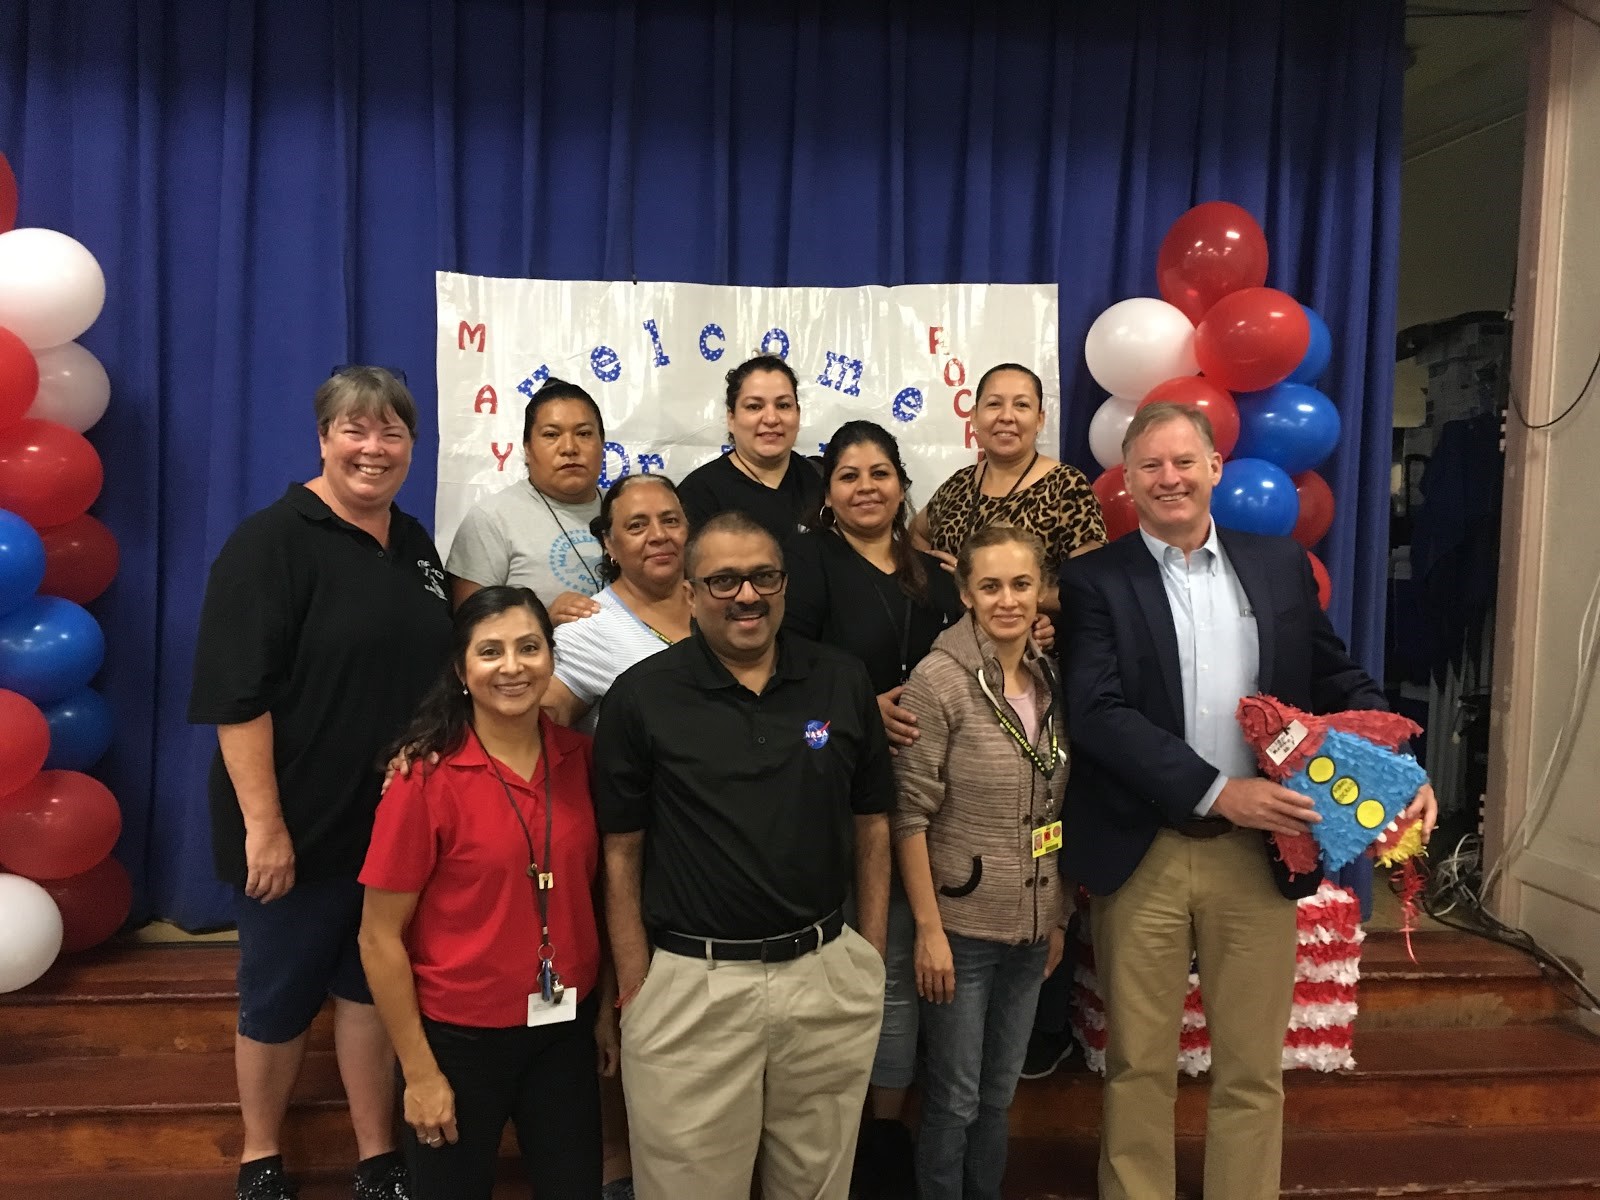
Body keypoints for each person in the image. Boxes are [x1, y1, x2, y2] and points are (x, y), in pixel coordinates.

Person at [1060, 402, 1438, 1200]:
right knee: (1137, 1066)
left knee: (1251, 1069)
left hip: (1260, 856)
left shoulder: (1277, 564)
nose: (1169, 478)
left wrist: (1399, 766)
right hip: (1144, 849)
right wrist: (1219, 792)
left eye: (1183, 462)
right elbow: (1095, 712)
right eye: (1151, 465)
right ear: (1128, 480)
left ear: (1215, 467)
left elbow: (1338, 679)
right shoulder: (1095, 580)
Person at [188, 366, 453, 1200]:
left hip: (390, 829)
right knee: (278, 996)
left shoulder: (414, 544)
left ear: (412, 446)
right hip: (295, 829)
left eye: (391, 433)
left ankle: (376, 1158)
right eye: (355, 430)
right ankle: (260, 1157)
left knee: (370, 990)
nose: (373, 449)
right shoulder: (270, 543)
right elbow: (237, 697)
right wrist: (265, 828)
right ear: (324, 438)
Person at [594, 510, 891, 1200]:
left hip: (826, 980)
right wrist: (637, 985)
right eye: (723, 581)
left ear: (785, 585)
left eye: (764, 577)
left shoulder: (840, 680)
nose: (747, 596)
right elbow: (621, 852)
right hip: (690, 989)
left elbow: (874, 824)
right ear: (690, 593)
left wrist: (870, 958)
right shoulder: (641, 697)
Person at [358, 586, 615, 1199]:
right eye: (490, 651)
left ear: (551, 658)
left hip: (564, 1030)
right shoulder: (423, 778)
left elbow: (602, 895)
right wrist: (420, 1073)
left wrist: (604, 1009)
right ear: (461, 669)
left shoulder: (585, 761)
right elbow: (377, 937)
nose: (512, 667)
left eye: (529, 647)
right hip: (458, 1039)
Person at [781, 420, 963, 1194]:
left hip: (933, 800)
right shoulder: (803, 566)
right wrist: (854, 713)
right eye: (849, 475)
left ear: (901, 485)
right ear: (827, 493)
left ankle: (885, 1136)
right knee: (851, 962)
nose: (866, 488)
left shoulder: (937, 575)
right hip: (833, 792)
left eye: (880, 473)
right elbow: (786, 698)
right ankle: (827, 1129)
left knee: (902, 968)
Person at [893, 525, 1068, 1200]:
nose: (1007, 600)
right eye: (990, 586)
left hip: (1031, 929)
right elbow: (909, 814)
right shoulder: (938, 680)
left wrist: (1056, 916)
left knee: (998, 1095)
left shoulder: (1049, 677)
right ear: (965, 593)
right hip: (960, 933)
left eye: (1021, 584)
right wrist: (929, 932)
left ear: (1041, 591)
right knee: (955, 1098)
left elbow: (1054, 806)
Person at [911, 362, 1105, 611]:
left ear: (1039, 419)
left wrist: (996, 596)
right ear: (974, 416)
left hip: (1030, 633)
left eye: (1021, 405)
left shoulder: (1067, 487)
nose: (1006, 416)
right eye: (994, 404)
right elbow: (916, 534)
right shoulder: (958, 484)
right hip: (956, 634)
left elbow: (1091, 589)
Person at [446, 378, 606, 624]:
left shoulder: (626, 511)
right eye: (551, 435)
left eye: (584, 433)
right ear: (528, 449)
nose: (569, 448)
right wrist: (543, 625)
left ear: (602, 444)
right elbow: (471, 630)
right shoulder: (492, 519)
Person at [542, 472, 692, 734]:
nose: (659, 535)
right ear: (609, 544)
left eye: (670, 521)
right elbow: (540, 728)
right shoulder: (587, 629)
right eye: (637, 526)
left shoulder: (721, 602)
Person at [675, 354, 823, 543]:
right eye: (754, 406)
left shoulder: (820, 479)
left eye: (783, 405)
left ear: (798, 414)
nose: (771, 418)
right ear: (731, 418)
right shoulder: (699, 495)